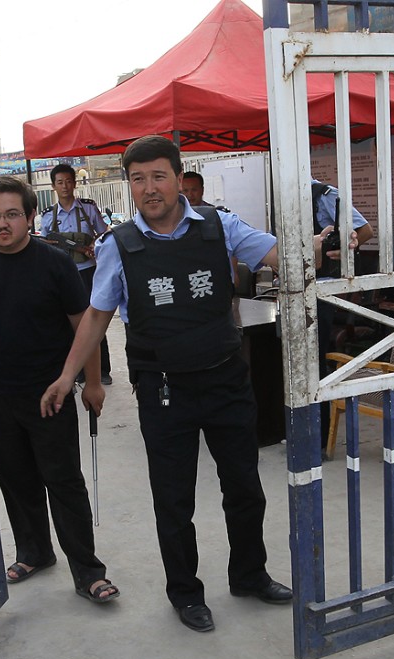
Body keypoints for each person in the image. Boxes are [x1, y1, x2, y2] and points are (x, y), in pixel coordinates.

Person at [40, 135, 357, 633]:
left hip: (226, 380)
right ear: (128, 186)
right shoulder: (117, 246)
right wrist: (69, 376)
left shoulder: (219, 226)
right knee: (174, 499)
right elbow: (98, 315)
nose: (149, 188)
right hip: (163, 390)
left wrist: (317, 247)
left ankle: (249, 575)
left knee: (245, 488)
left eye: (158, 176)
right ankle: (185, 593)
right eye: (137, 179)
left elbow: (284, 258)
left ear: (178, 177)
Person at [0, 176, 120, 605]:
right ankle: (35, 552)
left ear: (29, 216)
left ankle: (88, 572)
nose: (2, 224)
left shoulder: (55, 263)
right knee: (16, 481)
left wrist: (91, 382)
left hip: (50, 394)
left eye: (11, 215)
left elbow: (85, 329)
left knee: (64, 483)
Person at [311, 178, 373, 444]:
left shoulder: (322, 194)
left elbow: (365, 230)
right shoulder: (282, 194)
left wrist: (343, 248)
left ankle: (321, 434)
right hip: (298, 287)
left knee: (316, 362)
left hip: (323, 290)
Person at [40, 163, 113, 385]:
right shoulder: (47, 216)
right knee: (69, 322)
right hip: (63, 275)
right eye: (60, 182)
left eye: (69, 181)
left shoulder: (88, 209)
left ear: (75, 183)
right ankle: (78, 371)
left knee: (95, 319)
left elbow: (104, 234)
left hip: (88, 271)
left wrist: (93, 246)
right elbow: (45, 243)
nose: (65, 186)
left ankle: (102, 370)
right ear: (54, 186)